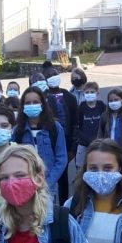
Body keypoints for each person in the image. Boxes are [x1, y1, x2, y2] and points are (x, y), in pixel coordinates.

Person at [12, 86, 67, 199]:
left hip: (48, 189)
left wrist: (47, 183)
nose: (32, 105)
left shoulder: (55, 128)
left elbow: (61, 159)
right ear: (23, 106)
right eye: (28, 103)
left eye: (35, 102)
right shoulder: (18, 131)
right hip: (24, 187)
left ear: (42, 104)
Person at [42, 61, 79, 205]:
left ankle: (63, 207)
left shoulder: (69, 97)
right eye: (49, 75)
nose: (53, 77)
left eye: (55, 74)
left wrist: (73, 149)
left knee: (63, 178)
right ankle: (48, 205)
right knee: (48, 177)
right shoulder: (42, 98)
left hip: (66, 146)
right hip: (49, 144)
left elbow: (76, 124)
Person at [74, 82, 107, 168]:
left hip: (99, 143)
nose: (90, 94)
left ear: (97, 93)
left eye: (92, 92)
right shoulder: (82, 107)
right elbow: (78, 125)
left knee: (98, 166)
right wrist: (83, 138)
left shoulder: (101, 106)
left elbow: (105, 123)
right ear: (83, 94)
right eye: (87, 92)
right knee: (80, 167)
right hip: (84, 143)